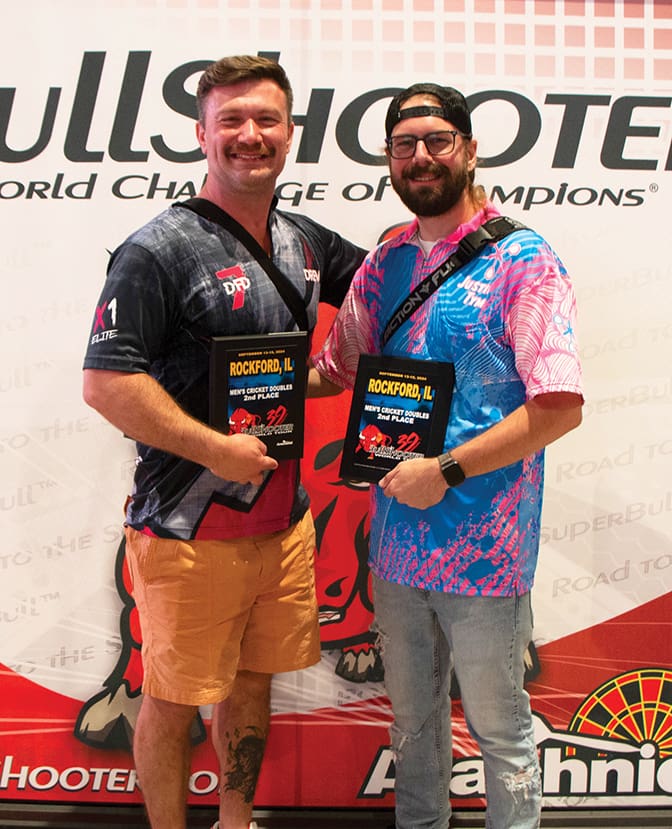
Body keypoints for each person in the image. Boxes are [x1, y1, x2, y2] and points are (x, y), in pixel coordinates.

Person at [82, 55, 365, 829]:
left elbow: (389, 284)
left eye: (266, 119)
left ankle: (236, 823)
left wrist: (467, 238)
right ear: (201, 134)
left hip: (282, 526)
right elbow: (107, 383)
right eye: (231, 120)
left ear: (290, 133)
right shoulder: (157, 249)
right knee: (172, 700)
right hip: (189, 531)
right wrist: (213, 449)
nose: (250, 134)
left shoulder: (302, 238)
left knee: (250, 686)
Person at [309, 82, 584, 829]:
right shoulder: (385, 263)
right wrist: (237, 382)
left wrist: (448, 469)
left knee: (501, 733)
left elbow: (559, 405)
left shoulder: (525, 260)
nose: (421, 156)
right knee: (413, 728)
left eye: (437, 140)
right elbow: (334, 369)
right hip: (397, 548)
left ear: (469, 149)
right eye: (405, 144)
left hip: (486, 553)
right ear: (389, 158)